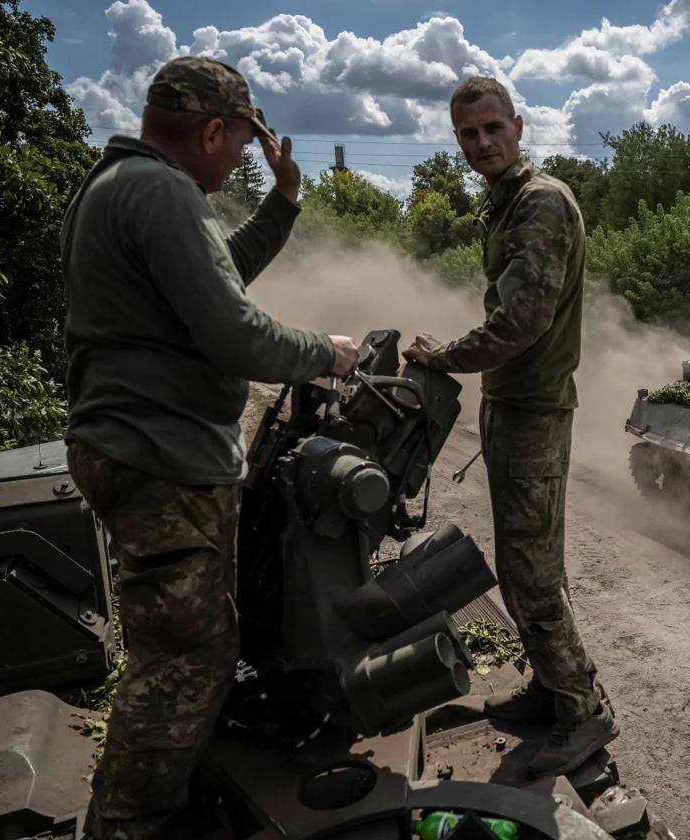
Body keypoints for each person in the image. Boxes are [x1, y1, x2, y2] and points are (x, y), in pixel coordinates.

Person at [61, 56, 359, 839]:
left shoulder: (120, 184)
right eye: (239, 146)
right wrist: (322, 352)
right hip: (160, 459)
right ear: (215, 129)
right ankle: (129, 825)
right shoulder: (163, 191)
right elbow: (231, 330)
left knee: (199, 646)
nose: (240, 163)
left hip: (140, 450)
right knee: (182, 664)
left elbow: (214, 278)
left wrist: (286, 201)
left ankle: (179, 806)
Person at [401, 75, 617, 778]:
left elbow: (522, 321)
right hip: (514, 404)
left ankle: (582, 712)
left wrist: (446, 357)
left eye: (493, 128)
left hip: (533, 408)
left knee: (530, 574)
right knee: (524, 564)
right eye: (468, 133)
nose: (482, 143)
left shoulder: (540, 203)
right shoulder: (506, 203)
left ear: (518, 127)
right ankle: (552, 689)